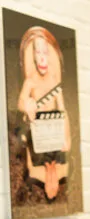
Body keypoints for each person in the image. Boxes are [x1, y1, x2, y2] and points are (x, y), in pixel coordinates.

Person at [16, 26, 71, 200]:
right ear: (33, 56)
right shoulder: (31, 80)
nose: (41, 57)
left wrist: (65, 135)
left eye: (45, 52)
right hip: (39, 129)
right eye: (37, 52)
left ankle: (51, 169)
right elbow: (20, 102)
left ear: (49, 56)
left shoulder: (54, 81)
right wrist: (27, 105)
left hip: (53, 129)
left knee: (55, 156)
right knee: (44, 156)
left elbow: (62, 108)